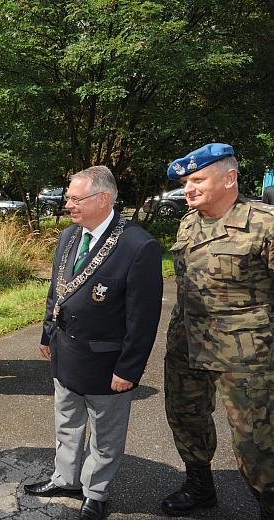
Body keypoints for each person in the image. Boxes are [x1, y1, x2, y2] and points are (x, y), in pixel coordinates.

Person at [24, 165, 162, 520]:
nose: (67, 204)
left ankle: (96, 492)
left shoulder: (138, 245)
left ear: (103, 199)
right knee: (67, 420)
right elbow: (57, 291)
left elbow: (142, 319)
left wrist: (129, 369)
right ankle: (66, 478)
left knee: (105, 434)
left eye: (74, 198)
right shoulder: (70, 236)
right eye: (68, 197)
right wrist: (46, 334)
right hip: (65, 352)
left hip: (106, 361)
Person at [160, 143, 274, 520]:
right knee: (185, 415)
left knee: (255, 439)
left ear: (229, 178)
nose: (188, 189)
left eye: (197, 179)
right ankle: (199, 487)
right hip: (188, 343)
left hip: (247, 353)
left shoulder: (265, 223)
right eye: (185, 182)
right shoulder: (189, 221)